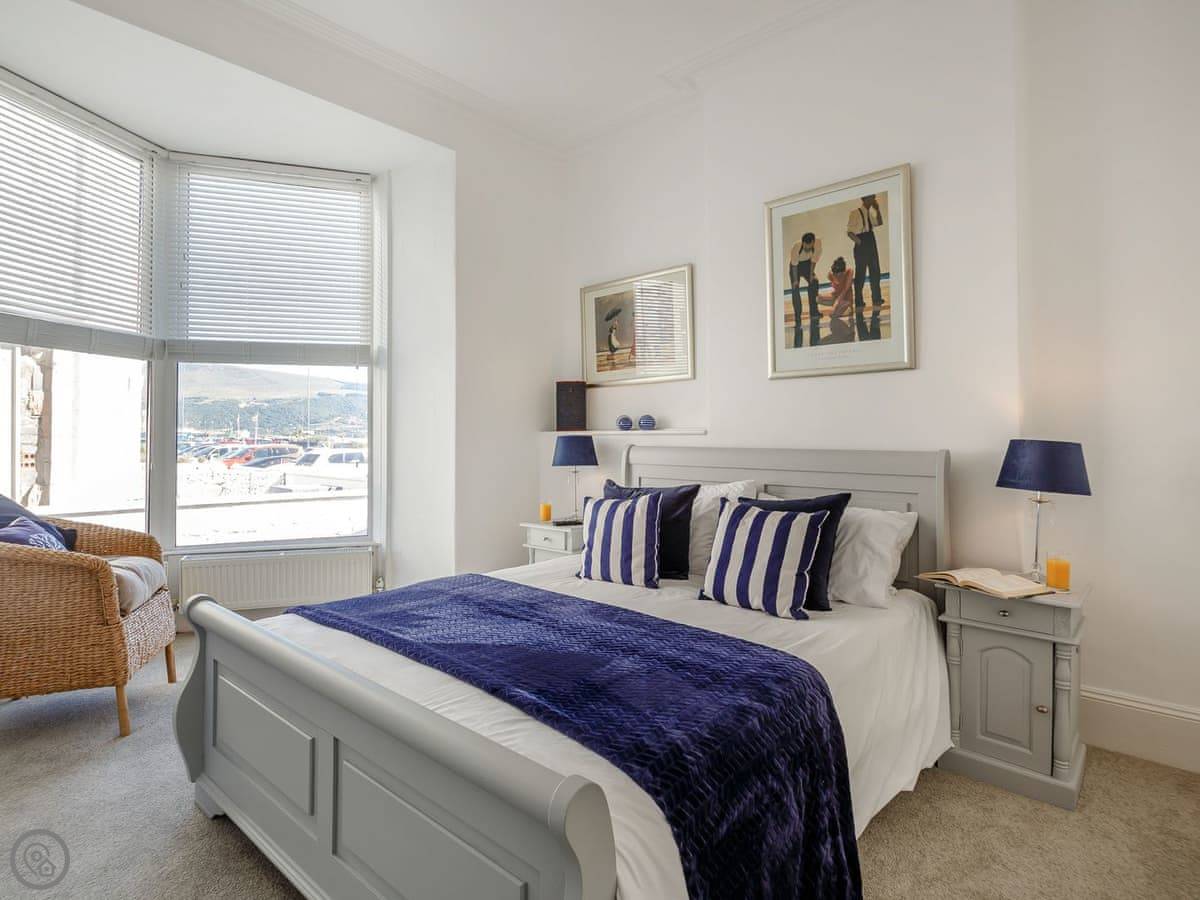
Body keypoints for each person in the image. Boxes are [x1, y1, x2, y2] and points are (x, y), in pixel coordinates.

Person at [788, 232, 822, 347]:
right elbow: (794, 265)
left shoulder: (818, 244)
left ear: (813, 242)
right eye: (806, 247)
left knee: (814, 282)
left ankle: (814, 311)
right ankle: (798, 316)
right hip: (796, 267)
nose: (807, 249)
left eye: (809, 247)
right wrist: (795, 281)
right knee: (795, 289)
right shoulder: (796, 248)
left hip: (808, 264)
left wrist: (811, 274)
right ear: (803, 243)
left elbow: (813, 261)